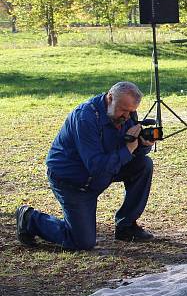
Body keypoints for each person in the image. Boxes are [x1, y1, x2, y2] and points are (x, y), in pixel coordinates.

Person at [15, 82, 156, 250]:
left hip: (100, 174)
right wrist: (128, 149)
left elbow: (131, 152)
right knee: (82, 242)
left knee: (143, 165)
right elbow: (96, 166)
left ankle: (126, 226)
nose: (127, 116)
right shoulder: (85, 117)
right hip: (72, 181)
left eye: (131, 111)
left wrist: (143, 144)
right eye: (123, 110)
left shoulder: (125, 113)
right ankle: (30, 219)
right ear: (110, 98)